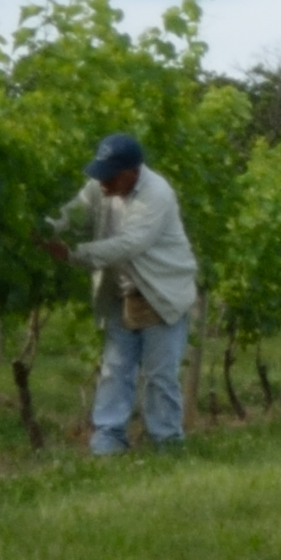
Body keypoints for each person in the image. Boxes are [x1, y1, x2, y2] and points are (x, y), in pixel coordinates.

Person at [51, 127, 198, 454]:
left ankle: (167, 443)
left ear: (132, 173)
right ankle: (108, 442)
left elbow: (130, 244)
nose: (102, 182)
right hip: (119, 292)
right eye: (100, 174)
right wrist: (48, 226)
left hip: (161, 294)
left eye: (110, 176)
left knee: (160, 374)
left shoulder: (156, 194)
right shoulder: (100, 185)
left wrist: (73, 254)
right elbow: (74, 212)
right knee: (114, 369)